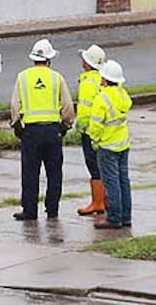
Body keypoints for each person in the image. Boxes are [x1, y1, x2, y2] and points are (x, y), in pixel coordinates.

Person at [10, 37, 74, 221]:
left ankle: (29, 211)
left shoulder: (23, 77)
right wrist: (64, 126)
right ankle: (52, 210)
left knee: (30, 173)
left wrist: (17, 126)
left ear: (33, 59)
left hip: (31, 132)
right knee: (54, 173)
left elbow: (15, 105)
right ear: (49, 59)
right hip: (52, 131)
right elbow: (68, 107)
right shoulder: (57, 78)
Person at [88, 58, 132, 230]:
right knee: (123, 181)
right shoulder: (123, 94)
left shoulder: (102, 98)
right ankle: (126, 216)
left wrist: (94, 140)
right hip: (123, 144)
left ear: (105, 79)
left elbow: (96, 125)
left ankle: (114, 218)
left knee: (112, 182)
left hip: (107, 146)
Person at [76, 43, 107, 216]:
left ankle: (97, 202)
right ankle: (107, 199)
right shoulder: (103, 78)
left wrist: (80, 129)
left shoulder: (87, 81)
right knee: (105, 167)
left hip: (90, 131)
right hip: (105, 130)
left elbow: (84, 109)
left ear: (88, 63)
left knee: (94, 166)